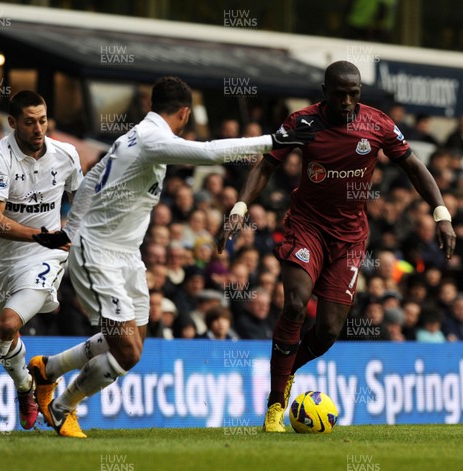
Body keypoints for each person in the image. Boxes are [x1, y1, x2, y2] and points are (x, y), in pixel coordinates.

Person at [29, 76, 314, 438]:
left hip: (127, 256)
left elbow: (90, 180)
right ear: (183, 112)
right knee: (128, 352)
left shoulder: (130, 136)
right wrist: (275, 141)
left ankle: (47, 370)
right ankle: (61, 407)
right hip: (98, 255)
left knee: (135, 337)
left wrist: (69, 228)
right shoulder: (151, 140)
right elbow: (211, 152)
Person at [218, 61, 456, 432]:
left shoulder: (377, 124)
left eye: (354, 93)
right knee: (295, 303)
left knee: (328, 330)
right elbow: (266, 165)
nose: (347, 101)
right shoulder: (303, 123)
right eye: (340, 94)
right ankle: (276, 404)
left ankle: (287, 371)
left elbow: (414, 167)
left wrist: (442, 213)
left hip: (349, 238)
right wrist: (240, 207)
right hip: (307, 227)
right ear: (325, 91)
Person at [0, 91, 83, 429]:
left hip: (45, 256)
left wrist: (69, 238)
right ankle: (26, 387)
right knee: (5, 337)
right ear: (12, 123)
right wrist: (39, 233)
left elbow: (81, 204)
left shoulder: (67, 155)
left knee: (8, 325)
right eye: (29, 121)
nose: (38, 128)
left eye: (43, 119)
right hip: (1, 260)